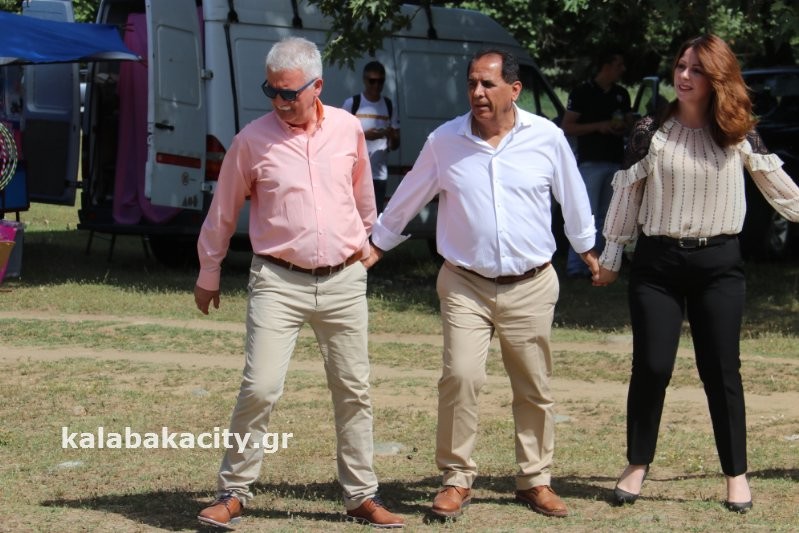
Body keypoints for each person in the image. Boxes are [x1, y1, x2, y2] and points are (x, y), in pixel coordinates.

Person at [364, 48, 599, 519]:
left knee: (533, 385)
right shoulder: (444, 141)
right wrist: (378, 245)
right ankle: (456, 479)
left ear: (515, 89)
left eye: (488, 84)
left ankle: (535, 480)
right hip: (464, 283)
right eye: (472, 83)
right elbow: (409, 195)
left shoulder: (547, 137)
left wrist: (588, 248)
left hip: (531, 284)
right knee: (460, 377)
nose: (477, 92)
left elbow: (572, 196)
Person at [194, 36, 404, 530]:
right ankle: (233, 491)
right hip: (277, 280)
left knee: (353, 389)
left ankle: (361, 496)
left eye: (289, 93)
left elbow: (363, 194)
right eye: (271, 90)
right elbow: (222, 211)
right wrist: (209, 271)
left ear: (317, 87)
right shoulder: (251, 140)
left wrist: (370, 244)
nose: (279, 101)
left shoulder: (349, 129)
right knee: (261, 386)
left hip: (344, 280)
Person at [594, 34, 799, 513]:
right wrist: (611, 255)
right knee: (652, 367)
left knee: (722, 371)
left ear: (717, 77)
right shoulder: (650, 130)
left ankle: (736, 475)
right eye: (681, 66)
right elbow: (627, 195)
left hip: (719, 266)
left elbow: (780, 188)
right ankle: (637, 463)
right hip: (658, 265)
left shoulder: (738, 131)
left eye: (697, 69)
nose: (684, 76)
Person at [560, 50, 631, 279]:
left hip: (615, 161)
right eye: (619, 64)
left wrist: (623, 126)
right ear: (606, 66)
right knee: (584, 215)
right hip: (590, 162)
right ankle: (575, 267)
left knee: (605, 218)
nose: (622, 70)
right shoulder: (582, 92)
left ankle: (597, 265)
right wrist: (598, 126)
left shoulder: (621, 94)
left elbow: (628, 122)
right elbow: (567, 126)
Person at [342, 60, 400, 213]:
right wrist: (366, 135)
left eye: (380, 81)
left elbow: (395, 145)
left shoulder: (389, 105)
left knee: (374, 217)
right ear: (364, 80)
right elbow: (341, 138)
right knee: (352, 215)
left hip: (378, 175)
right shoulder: (352, 103)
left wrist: (391, 135)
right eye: (372, 81)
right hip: (355, 173)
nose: (376, 85)